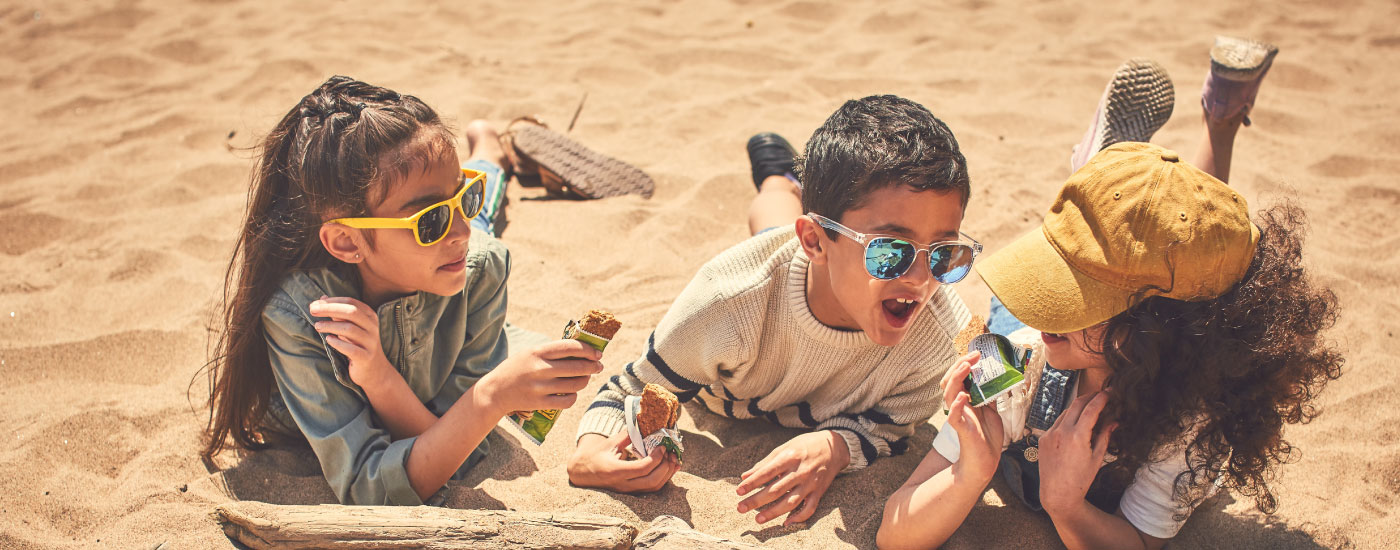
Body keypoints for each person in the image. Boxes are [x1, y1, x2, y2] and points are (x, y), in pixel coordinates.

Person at [878, 38, 1343, 549]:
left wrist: (1066, 506)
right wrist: (973, 469)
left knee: (1191, 252)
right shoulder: (1016, 372)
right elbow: (895, 534)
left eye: (1078, 295)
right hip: (1031, 343)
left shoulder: (1191, 425)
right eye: (1060, 281)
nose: (1049, 302)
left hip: (1111, 342)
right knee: (1025, 315)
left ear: (1155, 331)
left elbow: (1139, 543)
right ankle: (1107, 171)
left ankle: (1165, 144)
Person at [200, 75, 621, 505]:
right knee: (479, 227)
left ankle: (486, 163)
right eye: (429, 220)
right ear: (347, 241)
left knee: (484, 227)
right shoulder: (300, 316)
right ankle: (487, 160)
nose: (459, 231)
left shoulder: (478, 263)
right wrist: (490, 396)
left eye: (464, 195)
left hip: (445, 276)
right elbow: (373, 485)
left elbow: (457, 447)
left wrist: (385, 381)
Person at [567, 95, 983, 527]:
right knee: (772, 229)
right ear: (817, 241)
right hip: (771, 302)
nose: (919, 279)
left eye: (943, 253)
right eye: (889, 251)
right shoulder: (728, 302)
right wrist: (589, 456)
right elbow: (627, 392)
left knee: (782, 235)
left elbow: (892, 427)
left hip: (814, 272)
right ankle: (781, 180)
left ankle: (792, 183)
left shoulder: (940, 340)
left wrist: (836, 448)